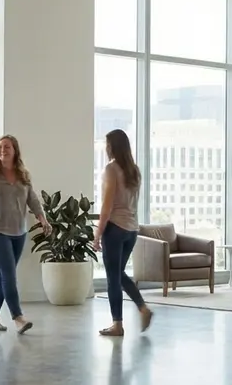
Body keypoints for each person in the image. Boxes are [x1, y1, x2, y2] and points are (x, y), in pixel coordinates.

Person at [0, 135, 51, 334]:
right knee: (9, 273)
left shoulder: (24, 175)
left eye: (6, 147)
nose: (2, 150)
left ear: (15, 150)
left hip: (18, 232)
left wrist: (43, 219)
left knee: (3, 274)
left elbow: (32, 199)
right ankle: (18, 317)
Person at [93, 128, 154, 337]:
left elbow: (107, 205)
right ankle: (142, 307)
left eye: (107, 144)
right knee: (118, 273)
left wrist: (98, 233)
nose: (105, 147)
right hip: (131, 230)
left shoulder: (111, 169)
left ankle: (118, 324)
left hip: (115, 229)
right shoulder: (134, 170)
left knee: (113, 277)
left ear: (113, 146)